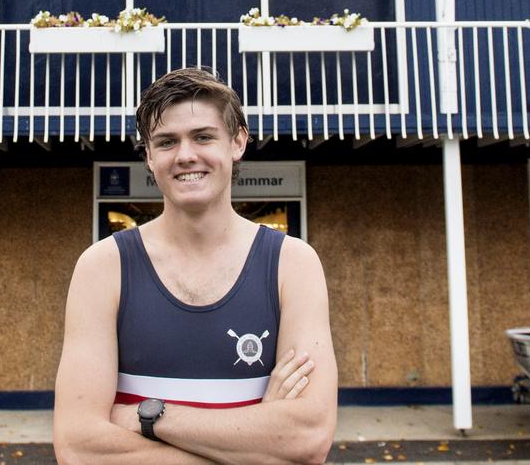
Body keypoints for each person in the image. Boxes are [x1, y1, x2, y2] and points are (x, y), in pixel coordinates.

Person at [53, 67, 338, 464]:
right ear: (149, 156)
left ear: (238, 142)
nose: (186, 155)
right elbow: (79, 447)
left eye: (203, 136)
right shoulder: (104, 267)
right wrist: (254, 440)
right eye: (167, 142)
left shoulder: (292, 264)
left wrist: (148, 416)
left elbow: (307, 437)